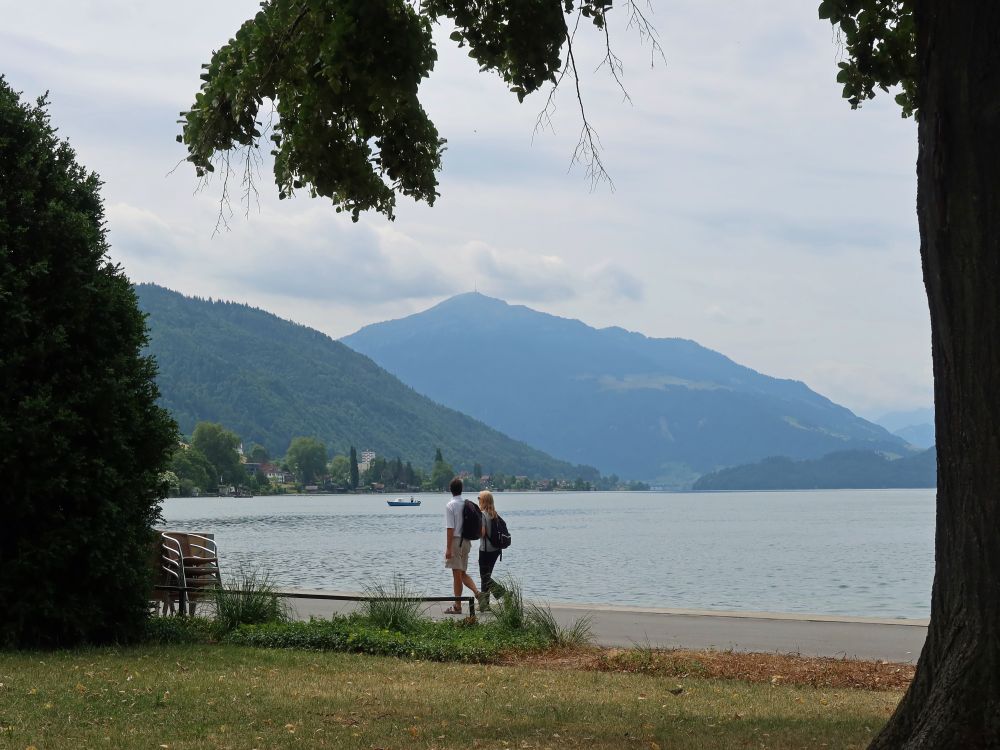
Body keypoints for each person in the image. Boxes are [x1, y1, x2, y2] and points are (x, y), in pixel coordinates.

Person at [443, 476, 481, 614]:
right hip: (466, 542)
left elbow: (450, 528)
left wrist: (448, 548)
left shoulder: (450, 505)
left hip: (456, 542)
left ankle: (457, 606)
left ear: (450, 489)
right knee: (462, 573)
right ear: (462, 489)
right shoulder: (466, 503)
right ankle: (477, 593)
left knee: (456, 575)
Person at [477, 490, 507, 611]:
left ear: (483, 500)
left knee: (484, 577)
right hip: (495, 550)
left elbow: (482, 533)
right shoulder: (494, 514)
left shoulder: (483, 514)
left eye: (479, 498)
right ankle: (485, 605)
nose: (478, 500)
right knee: (486, 576)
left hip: (485, 550)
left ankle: (503, 593)